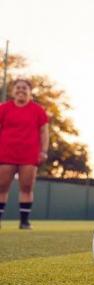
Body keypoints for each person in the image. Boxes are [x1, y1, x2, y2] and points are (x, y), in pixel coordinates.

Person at [0, 79, 49, 230]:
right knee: (2, 187)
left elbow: (44, 132)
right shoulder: (4, 108)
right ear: (13, 91)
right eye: (18, 87)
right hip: (6, 153)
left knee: (26, 187)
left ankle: (24, 222)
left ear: (30, 91)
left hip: (29, 155)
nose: (21, 90)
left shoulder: (38, 110)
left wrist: (43, 151)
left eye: (24, 88)